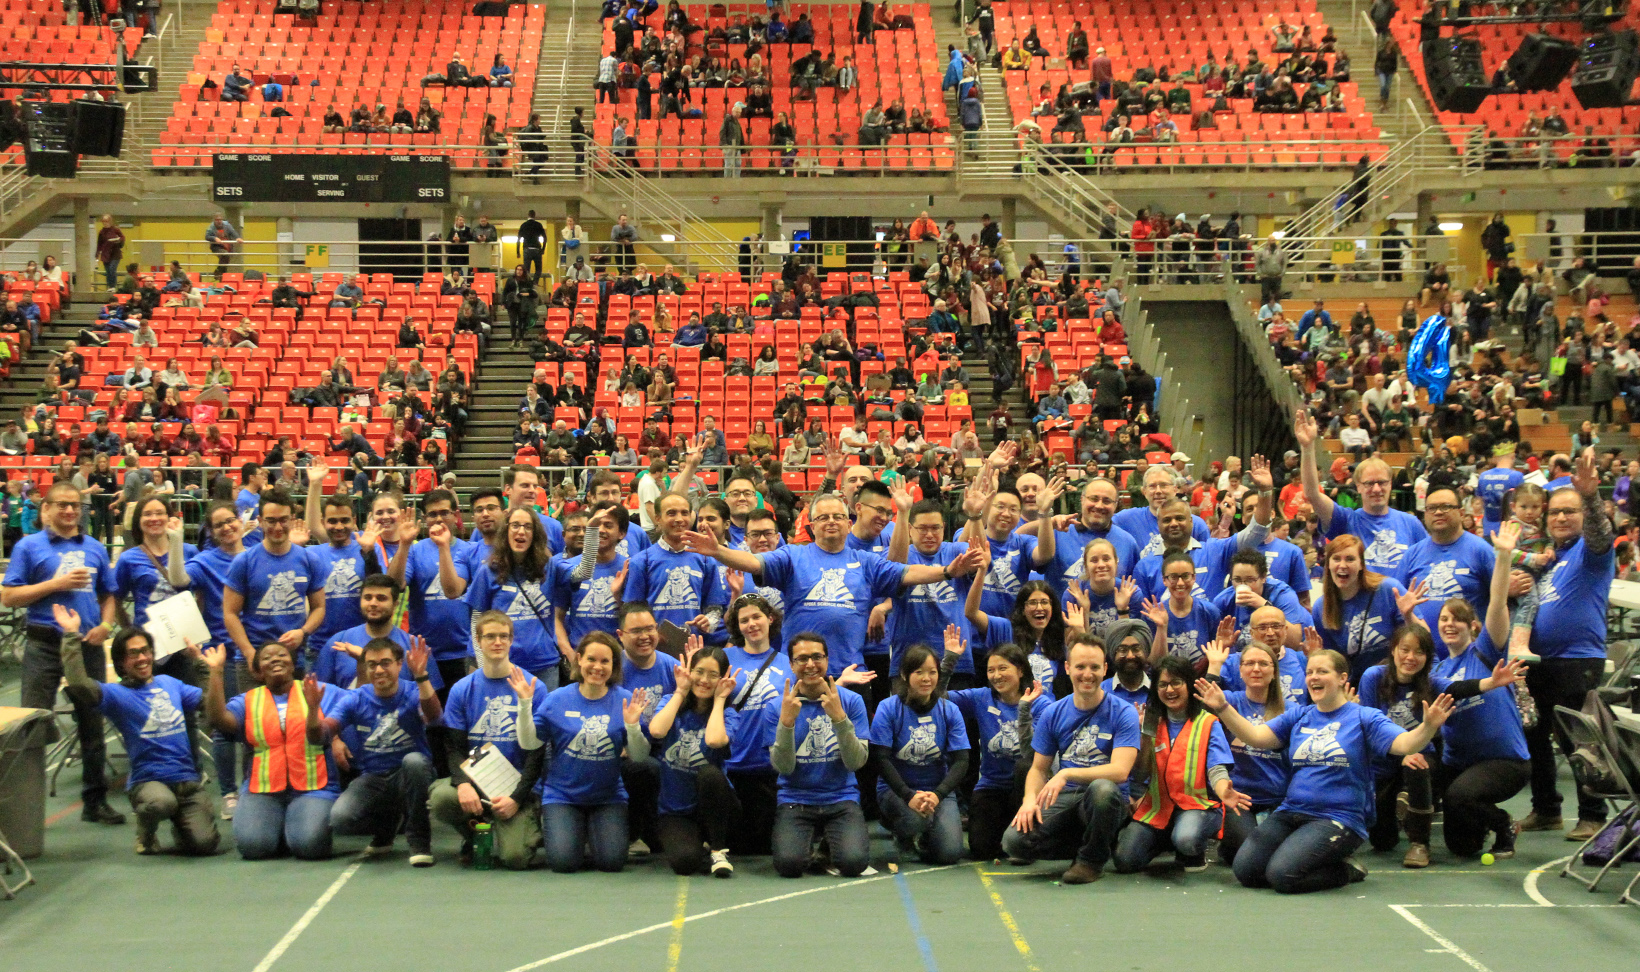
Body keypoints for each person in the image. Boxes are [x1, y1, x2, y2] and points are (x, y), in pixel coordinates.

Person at [1199, 648, 1455, 893]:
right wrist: (1223, 707)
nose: (1313, 678)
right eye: (1309, 672)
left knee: (1282, 876)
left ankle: (1347, 870)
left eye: (1322, 672)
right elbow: (1256, 736)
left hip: (1338, 817)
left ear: (1343, 678)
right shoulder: (1300, 715)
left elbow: (1405, 744)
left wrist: (1428, 727)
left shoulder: (1365, 717)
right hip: (1292, 811)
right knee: (1246, 871)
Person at [1, 480, 123, 825]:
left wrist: (106, 625)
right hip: (43, 644)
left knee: (92, 723)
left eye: (75, 505)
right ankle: (21, 809)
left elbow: (109, 594)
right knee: (29, 724)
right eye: (62, 505)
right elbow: (9, 597)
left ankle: (95, 801)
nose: (70, 511)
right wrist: (57, 584)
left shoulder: (96, 548)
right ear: (47, 509)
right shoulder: (29, 546)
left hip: (86, 645)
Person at [57, 608, 220, 855]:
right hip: (149, 783)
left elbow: (210, 705)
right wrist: (70, 635)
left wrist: (204, 666)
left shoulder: (170, 683)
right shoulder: (117, 695)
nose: (142, 658)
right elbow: (79, 684)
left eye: (145, 651)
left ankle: (183, 824)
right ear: (122, 662)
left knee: (204, 844)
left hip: (187, 781)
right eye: (133, 654)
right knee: (160, 803)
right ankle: (146, 833)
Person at [1516, 448, 1614, 842]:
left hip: (1577, 661)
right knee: (1536, 738)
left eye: (1569, 511)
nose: (1560, 517)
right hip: (1539, 662)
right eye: (1554, 512)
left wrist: (1590, 497)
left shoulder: (1591, 554)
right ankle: (1547, 808)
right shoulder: (1549, 559)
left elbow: (1600, 533)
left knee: (1580, 739)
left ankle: (1592, 814)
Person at [1001, 636, 1140, 883]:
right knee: (1014, 843)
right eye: (1080, 667)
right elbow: (1038, 769)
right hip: (1067, 797)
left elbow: (1120, 771)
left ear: (1105, 669)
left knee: (1102, 790)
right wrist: (1029, 800)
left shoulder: (1123, 712)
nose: (1088, 674)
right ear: (1067, 668)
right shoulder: (1053, 712)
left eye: (1095, 667)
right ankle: (1092, 844)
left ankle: (1090, 862)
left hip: (1106, 798)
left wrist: (1066, 773)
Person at [515, 632, 649, 873]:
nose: (597, 667)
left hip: (607, 797)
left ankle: (593, 833)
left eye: (605, 661)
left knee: (612, 863)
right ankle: (574, 833)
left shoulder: (626, 701)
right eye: (591, 659)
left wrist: (632, 727)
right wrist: (525, 706)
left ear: (614, 666)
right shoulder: (556, 699)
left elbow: (639, 756)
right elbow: (528, 743)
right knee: (564, 864)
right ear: (579, 660)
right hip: (563, 796)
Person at [202, 639, 347, 860]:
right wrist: (216, 672)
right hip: (262, 790)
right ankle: (280, 826)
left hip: (313, 787)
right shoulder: (248, 701)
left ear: (292, 663)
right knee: (254, 847)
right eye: (267, 658)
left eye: (282, 655)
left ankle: (297, 826)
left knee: (309, 846)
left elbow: (357, 702)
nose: (275, 659)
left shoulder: (320, 691)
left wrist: (336, 737)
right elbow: (218, 720)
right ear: (258, 671)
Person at [429, 611, 546, 869]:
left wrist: (517, 797)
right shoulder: (462, 689)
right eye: (490, 636)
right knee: (441, 798)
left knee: (515, 859)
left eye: (504, 636)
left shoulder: (533, 686)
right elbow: (453, 746)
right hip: (477, 780)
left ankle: (526, 823)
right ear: (478, 642)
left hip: (517, 786)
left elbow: (537, 753)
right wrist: (462, 784)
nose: (497, 642)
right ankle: (473, 833)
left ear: (511, 640)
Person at [312, 636, 441, 866]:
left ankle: (419, 841)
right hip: (374, 778)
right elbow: (320, 735)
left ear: (399, 664)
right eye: (372, 665)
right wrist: (313, 712)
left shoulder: (413, 690)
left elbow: (434, 718)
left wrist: (422, 676)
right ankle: (387, 825)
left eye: (385, 663)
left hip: (411, 774)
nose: (379, 670)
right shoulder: (355, 698)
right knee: (341, 818)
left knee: (413, 762)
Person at [1113, 654, 1242, 873]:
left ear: (1188, 684)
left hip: (1196, 806)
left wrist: (1223, 789)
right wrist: (1144, 736)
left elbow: (1216, 768)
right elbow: (1141, 771)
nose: (1169, 690)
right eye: (1162, 684)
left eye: (1176, 683)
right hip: (1157, 807)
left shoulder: (1208, 722)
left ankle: (1190, 848)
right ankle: (1165, 839)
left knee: (1187, 839)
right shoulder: (1151, 721)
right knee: (1125, 861)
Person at [765, 631, 872, 877]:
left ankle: (829, 845)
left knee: (854, 864)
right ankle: (815, 844)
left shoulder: (852, 702)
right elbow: (783, 768)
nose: (810, 665)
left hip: (841, 799)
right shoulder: (776, 707)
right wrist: (787, 724)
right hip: (796, 800)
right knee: (789, 866)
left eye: (817, 657)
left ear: (827, 660)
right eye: (802, 659)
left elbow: (857, 762)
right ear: (791, 664)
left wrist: (839, 719)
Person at [646, 638, 743, 876]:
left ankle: (718, 850)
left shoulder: (728, 714)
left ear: (722, 679)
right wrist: (681, 690)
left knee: (710, 774)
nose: (704, 680)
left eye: (713, 674)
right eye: (699, 672)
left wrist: (719, 700)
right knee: (685, 864)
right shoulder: (672, 701)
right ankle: (699, 844)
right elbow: (657, 730)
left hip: (717, 807)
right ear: (689, 672)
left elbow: (713, 740)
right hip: (676, 811)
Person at [870, 641, 971, 865]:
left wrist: (939, 794)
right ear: (905, 675)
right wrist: (909, 796)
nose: (926, 679)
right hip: (898, 791)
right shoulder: (889, 708)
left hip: (937, 790)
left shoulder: (949, 710)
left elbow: (962, 760)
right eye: (919, 672)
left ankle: (928, 834)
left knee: (949, 854)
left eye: (932, 672)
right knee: (915, 820)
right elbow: (881, 758)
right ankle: (901, 829)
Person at [1295, 408, 1427, 574]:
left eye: (1382, 482)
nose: (1377, 489)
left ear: (1390, 484)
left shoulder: (1411, 524)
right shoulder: (1346, 520)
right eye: (1369, 483)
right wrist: (1307, 448)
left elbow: (1427, 564)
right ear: (1358, 486)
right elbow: (1312, 493)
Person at [222, 488, 326, 673]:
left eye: (283, 520)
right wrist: (248, 653)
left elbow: (319, 608)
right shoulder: (244, 562)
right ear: (260, 522)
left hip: (294, 660)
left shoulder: (310, 560)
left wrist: (303, 632)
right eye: (271, 521)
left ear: (292, 520)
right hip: (254, 660)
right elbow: (230, 613)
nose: (278, 527)